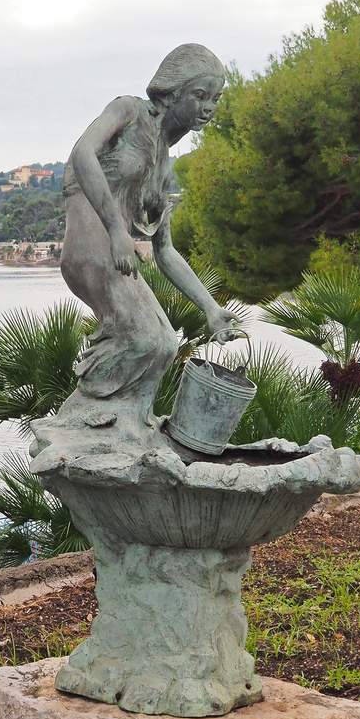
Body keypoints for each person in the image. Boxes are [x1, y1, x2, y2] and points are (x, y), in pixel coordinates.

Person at [56, 43, 239, 441]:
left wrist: (211, 309)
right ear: (172, 92)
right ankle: (79, 419)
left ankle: (128, 423)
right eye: (200, 95)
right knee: (142, 338)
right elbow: (82, 153)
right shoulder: (129, 110)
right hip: (91, 244)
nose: (209, 107)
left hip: (118, 253)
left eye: (215, 99)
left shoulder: (163, 167)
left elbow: (166, 251)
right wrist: (117, 230)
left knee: (165, 346)